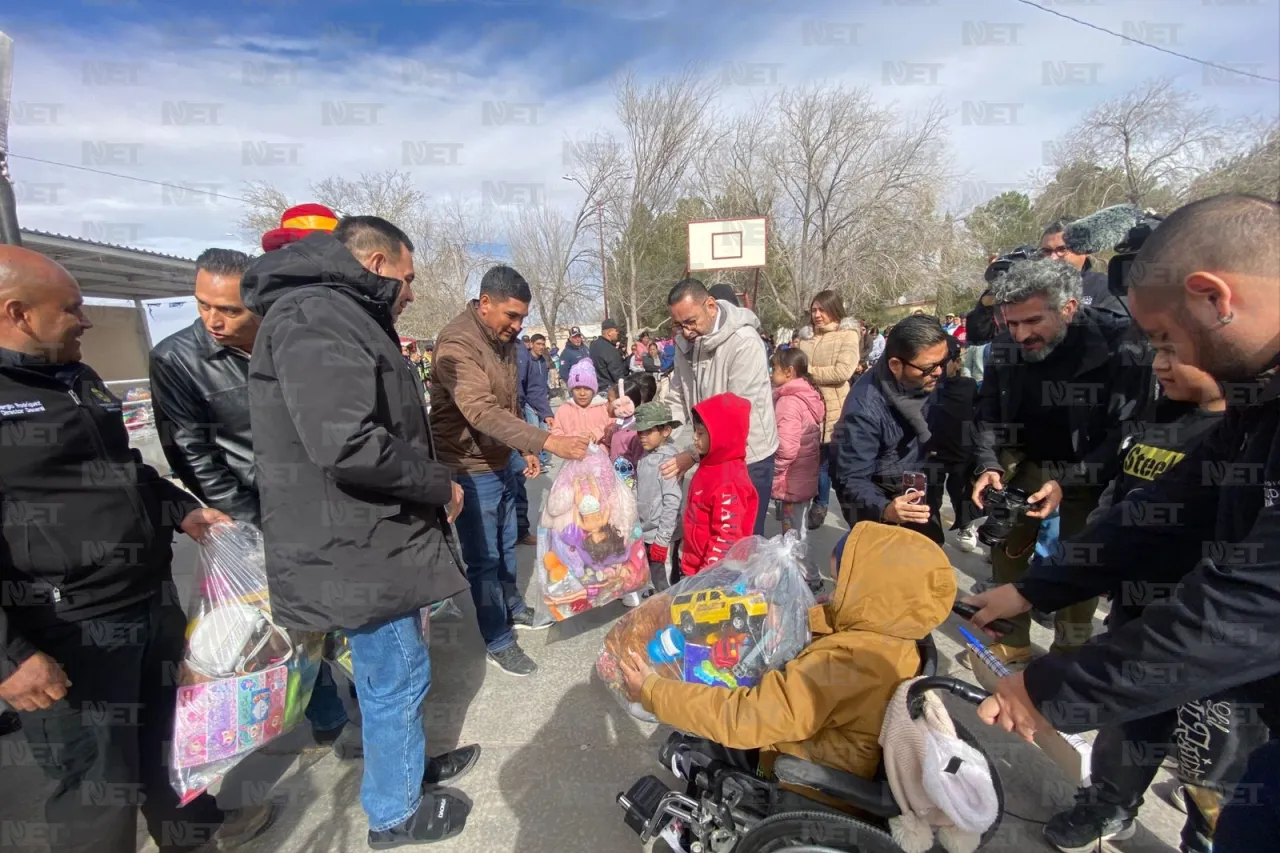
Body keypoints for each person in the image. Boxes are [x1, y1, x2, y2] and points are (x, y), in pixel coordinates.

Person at [962, 194, 1280, 852]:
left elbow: (1250, 603)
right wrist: (1033, 590)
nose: (1159, 363)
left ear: (1212, 296)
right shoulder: (1260, 397)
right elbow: (1163, 514)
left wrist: (1048, 688)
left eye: (1164, 339)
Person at [0, 245, 273, 853]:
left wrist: (185, 512)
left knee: (173, 735)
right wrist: (10, 657)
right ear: (17, 313)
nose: (85, 320)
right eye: (70, 309)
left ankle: (196, 833)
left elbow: (124, 471)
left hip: (147, 598)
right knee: (98, 781)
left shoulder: (75, 378)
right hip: (65, 627)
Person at [241, 216, 480, 847]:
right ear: (376, 265)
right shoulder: (315, 315)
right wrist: (437, 484)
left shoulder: (333, 313)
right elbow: (348, 442)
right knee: (395, 676)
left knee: (395, 676)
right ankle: (394, 813)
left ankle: (404, 773)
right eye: (408, 277)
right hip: (354, 544)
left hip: (368, 537)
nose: (413, 291)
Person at [149, 246, 360, 758]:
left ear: (260, 303)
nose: (213, 321)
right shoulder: (177, 360)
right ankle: (327, 716)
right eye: (203, 305)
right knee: (292, 630)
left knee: (352, 613)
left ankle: (374, 707)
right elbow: (192, 454)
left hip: (326, 504)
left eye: (229, 310)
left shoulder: (293, 342)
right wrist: (249, 528)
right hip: (257, 515)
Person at [617, 523, 956, 782]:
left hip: (801, 777)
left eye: (843, 587)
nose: (836, 596)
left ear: (872, 593)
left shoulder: (841, 664)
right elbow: (844, 628)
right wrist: (796, 615)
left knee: (706, 720)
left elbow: (746, 718)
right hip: (835, 748)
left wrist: (653, 691)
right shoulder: (897, 636)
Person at [966, 257, 1153, 668]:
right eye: (1011, 323)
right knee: (1007, 548)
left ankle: (1070, 654)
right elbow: (988, 412)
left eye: (1032, 321)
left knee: (1079, 560)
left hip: (1090, 468)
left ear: (1068, 308)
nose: (1021, 334)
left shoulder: (1120, 343)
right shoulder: (1005, 345)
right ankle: (1010, 638)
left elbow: (1126, 430)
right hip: (1025, 458)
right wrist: (987, 464)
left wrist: (1072, 480)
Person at [432, 266, 590, 677]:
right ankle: (498, 639)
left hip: (501, 458)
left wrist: (522, 448)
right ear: (485, 304)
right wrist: (547, 441)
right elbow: (480, 410)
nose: (517, 326)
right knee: (483, 558)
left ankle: (512, 608)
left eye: (522, 318)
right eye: (511, 316)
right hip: (469, 466)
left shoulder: (502, 341)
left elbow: (510, 402)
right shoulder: (457, 344)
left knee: (505, 546)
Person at [664, 278, 780, 536]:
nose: (685, 331)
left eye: (691, 322)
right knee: (712, 535)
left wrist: (691, 454)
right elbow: (678, 397)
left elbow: (735, 417)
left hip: (747, 456)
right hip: (708, 451)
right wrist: (657, 433)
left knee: (742, 539)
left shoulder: (744, 342)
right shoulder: (685, 344)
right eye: (678, 324)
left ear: (711, 306)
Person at [830, 315, 949, 545]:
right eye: (929, 368)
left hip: (917, 483)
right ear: (896, 365)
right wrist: (885, 510)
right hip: (880, 501)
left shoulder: (923, 376)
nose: (938, 373)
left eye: (942, 362)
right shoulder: (863, 410)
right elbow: (851, 479)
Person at [796, 289, 861, 530]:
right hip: (806, 405)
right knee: (812, 459)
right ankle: (814, 500)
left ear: (834, 310)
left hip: (835, 407)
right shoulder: (805, 338)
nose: (817, 315)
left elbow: (843, 372)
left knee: (831, 462)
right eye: (813, 310)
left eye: (822, 309)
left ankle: (828, 504)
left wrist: (809, 371)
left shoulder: (847, 335)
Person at [679, 393, 757, 577]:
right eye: (694, 431)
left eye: (700, 433)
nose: (694, 438)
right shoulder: (709, 464)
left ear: (721, 436)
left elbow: (726, 536)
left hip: (713, 573)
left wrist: (708, 575)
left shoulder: (729, 481)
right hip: (694, 563)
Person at [769, 347, 824, 590]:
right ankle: (803, 578)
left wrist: (775, 470)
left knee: (794, 535)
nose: (771, 373)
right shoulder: (807, 395)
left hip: (791, 478)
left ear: (789, 372)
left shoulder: (789, 401)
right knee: (795, 531)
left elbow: (787, 448)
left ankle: (808, 581)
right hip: (802, 475)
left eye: (775, 369)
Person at [925, 335, 982, 554]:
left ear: (957, 363)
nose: (937, 369)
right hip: (932, 451)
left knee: (960, 493)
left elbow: (980, 417)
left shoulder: (969, 387)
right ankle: (934, 537)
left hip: (961, 452)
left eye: (944, 362)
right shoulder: (925, 387)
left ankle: (966, 526)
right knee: (931, 497)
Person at [632, 401, 684, 593]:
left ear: (666, 431)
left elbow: (672, 503)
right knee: (653, 577)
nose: (642, 436)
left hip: (663, 537)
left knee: (666, 585)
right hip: (647, 532)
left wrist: (662, 541)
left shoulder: (668, 462)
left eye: (648, 430)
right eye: (639, 431)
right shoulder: (645, 457)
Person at [511, 332, 555, 546]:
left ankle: (520, 530)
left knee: (519, 477)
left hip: (514, 419)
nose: (517, 326)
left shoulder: (521, 351)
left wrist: (546, 412)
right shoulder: (473, 343)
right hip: (487, 426)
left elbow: (534, 388)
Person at [1039, 220, 1129, 317]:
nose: (1053, 258)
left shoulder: (1107, 287)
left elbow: (1117, 326)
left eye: (1062, 250)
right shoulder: (1033, 289)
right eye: (1046, 251)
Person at [553, 359, 613, 444]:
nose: (582, 393)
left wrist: (597, 433)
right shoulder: (563, 410)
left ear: (593, 390)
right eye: (577, 388)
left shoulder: (604, 408)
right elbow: (556, 434)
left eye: (587, 388)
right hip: (573, 455)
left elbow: (613, 427)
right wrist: (574, 437)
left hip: (601, 454)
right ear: (571, 390)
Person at [591, 318, 629, 387]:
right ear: (609, 332)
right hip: (608, 389)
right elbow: (618, 375)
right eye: (616, 330)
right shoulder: (610, 350)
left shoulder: (593, 345)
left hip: (595, 387)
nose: (617, 333)